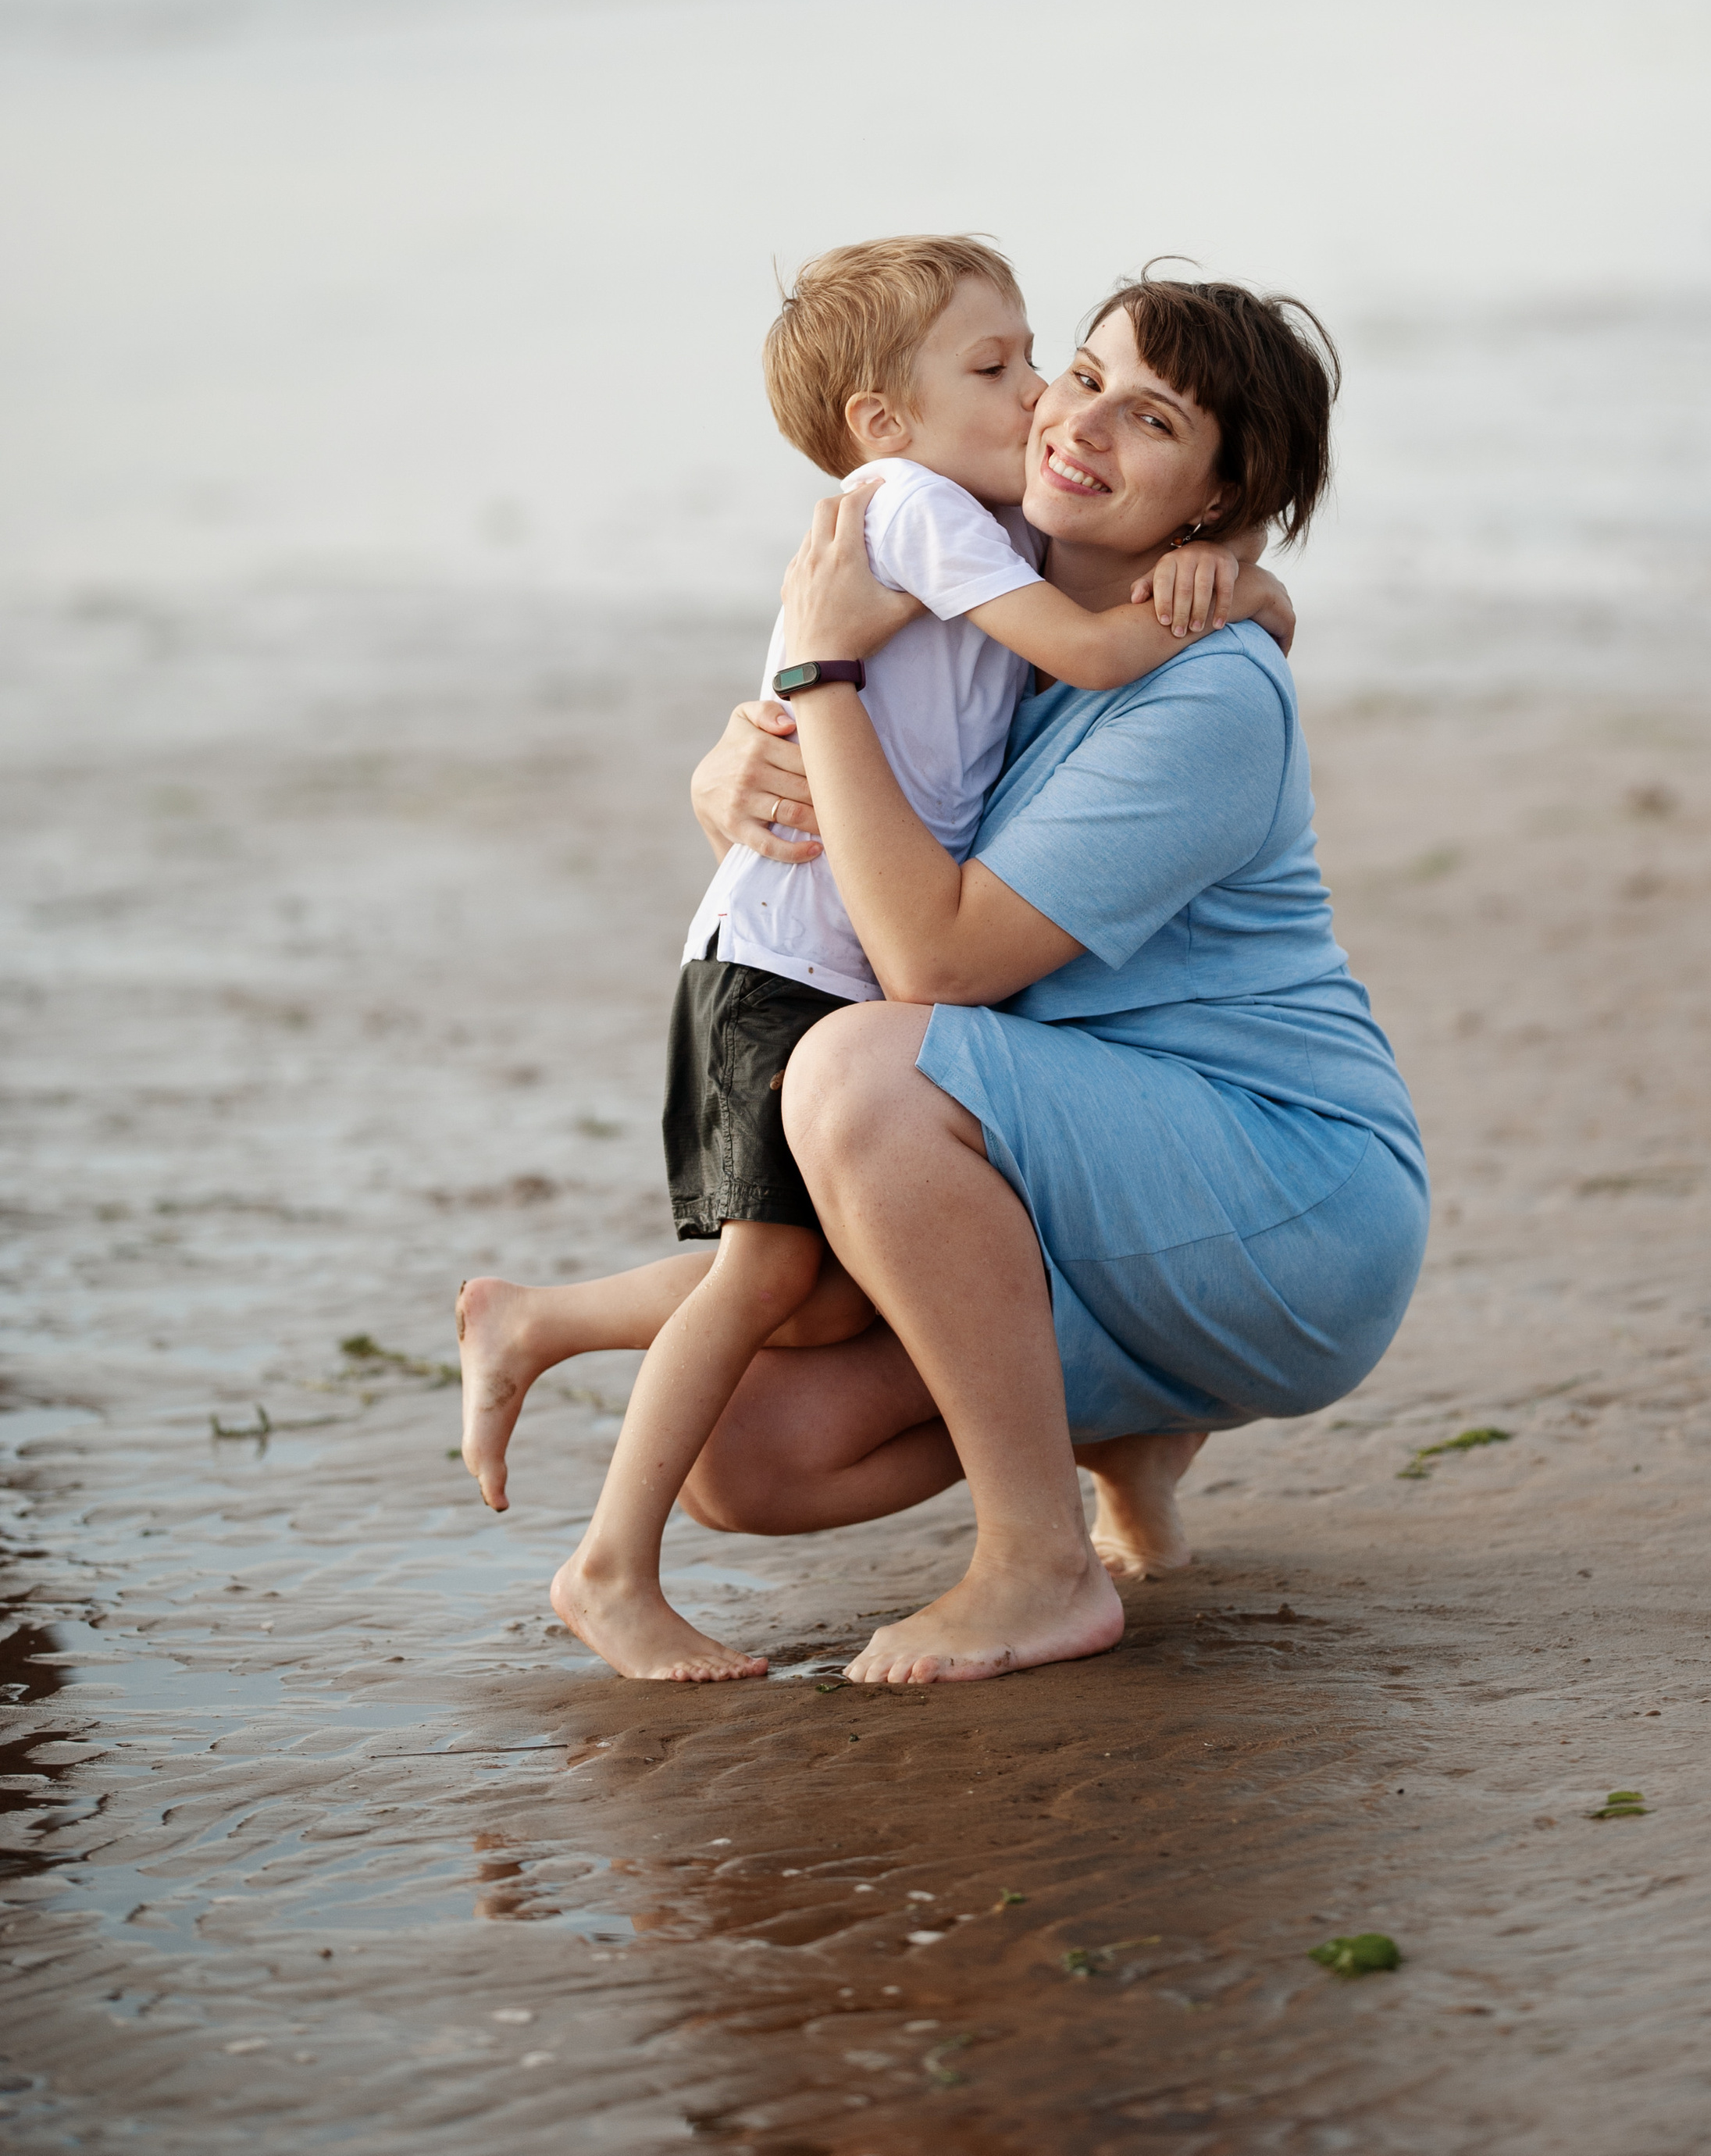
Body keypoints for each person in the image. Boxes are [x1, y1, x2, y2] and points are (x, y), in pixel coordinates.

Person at [461, 273, 1426, 1688]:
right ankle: (1130, 1427)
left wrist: (819, 675)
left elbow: (934, 962)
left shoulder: (1208, 693)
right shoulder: (1012, 607)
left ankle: (1038, 1564)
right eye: (1080, 372)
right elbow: (876, 755)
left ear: (1215, 507)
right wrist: (735, 758)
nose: (1072, 418)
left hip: (1287, 1200)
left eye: (1147, 417)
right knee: (747, 1458)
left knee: (855, 1071)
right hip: (1089, 1191)